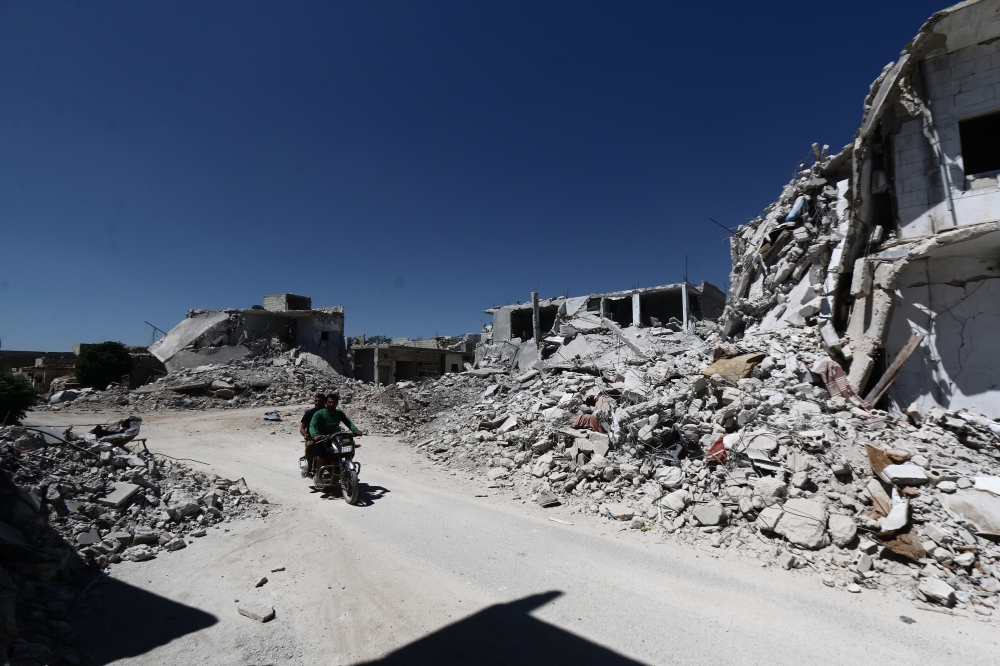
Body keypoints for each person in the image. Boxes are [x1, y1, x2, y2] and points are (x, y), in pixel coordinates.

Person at [308, 393, 363, 484]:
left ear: (337, 403)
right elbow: (312, 426)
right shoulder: (319, 414)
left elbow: (348, 422)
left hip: (335, 437)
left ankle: (343, 469)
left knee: (348, 448)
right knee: (323, 453)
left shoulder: (339, 413)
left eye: (334, 402)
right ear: (326, 402)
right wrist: (315, 435)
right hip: (322, 438)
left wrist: (355, 430)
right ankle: (318, 474)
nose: (331, 404)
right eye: (329, 402)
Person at [299, 393, 326, 477]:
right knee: (310, 446)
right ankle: (309, 465)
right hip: (312, 437)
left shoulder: (328, 412)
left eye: (320, 401)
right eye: (316, 401)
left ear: (324, 402)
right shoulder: (309, 413)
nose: (317, 403)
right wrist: (305, 435)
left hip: (326, 436)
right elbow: (302, 428)